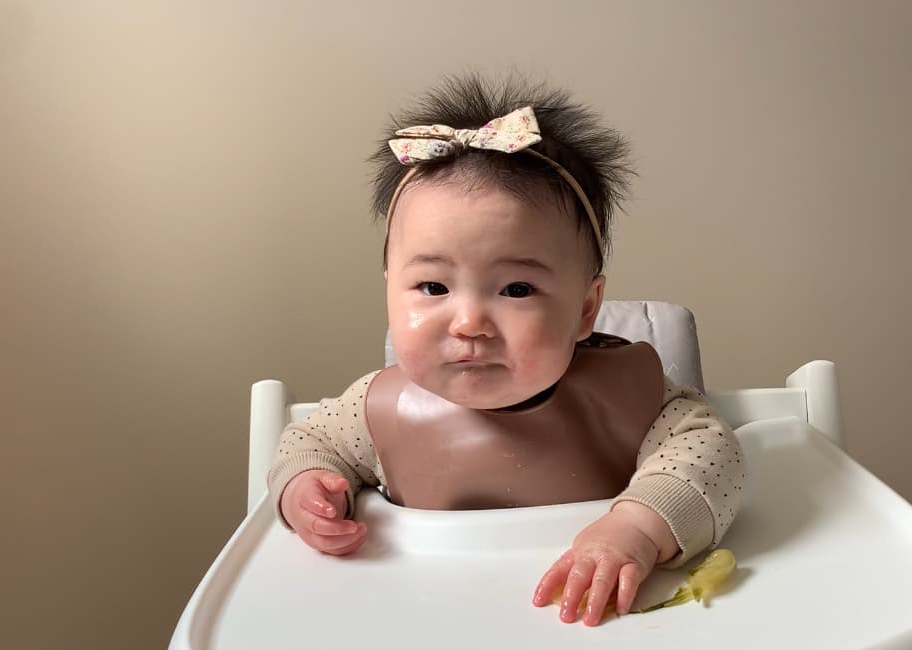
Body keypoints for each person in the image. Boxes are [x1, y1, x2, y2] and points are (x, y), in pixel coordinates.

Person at [267, 74, 746, 626]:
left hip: (598, 622)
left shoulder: (627, 400)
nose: (469, 322)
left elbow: (714, 454)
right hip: (428, 621)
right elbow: (308, 441)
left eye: (517, 289)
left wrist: (637, 527)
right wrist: (307, 490)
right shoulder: (377, 412)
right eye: (433, 288)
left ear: (586, 309)